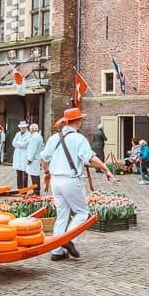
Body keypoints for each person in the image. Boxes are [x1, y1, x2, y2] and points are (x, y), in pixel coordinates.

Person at [40, 108, 115, 261]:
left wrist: (46, 173)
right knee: (82, 212)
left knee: (62, 214)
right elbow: (91, 158)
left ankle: (57, 251)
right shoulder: (79, 139)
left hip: (56, 180)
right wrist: (106, 169)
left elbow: (44, 159)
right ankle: (69, 240)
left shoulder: (54, 138)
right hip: (70, 180)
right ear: (78, 122)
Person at [12, 120, 31, 189]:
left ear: (26, 127)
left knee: (25, 173)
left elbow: (26, 144)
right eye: (21, 127)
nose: (22, 128)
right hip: (18, 154)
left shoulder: (29, 135)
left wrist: (19, 143)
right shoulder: (17, 134)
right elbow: (13, 143)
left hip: (25, 153)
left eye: (24, 127)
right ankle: (19, 188)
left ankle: (24, 188)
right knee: (18, 173)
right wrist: (21, 143)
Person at [25, 123, 43, 193]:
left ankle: (36, 191)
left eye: (30, 129)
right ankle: (36, 190)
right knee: (35, 174)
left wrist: (29, 159)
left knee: (34, 175)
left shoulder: (35, 137)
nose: (29, 130)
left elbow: (33, 149)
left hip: (34, 159)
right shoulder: (38, 136)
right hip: (36, 158)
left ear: (32, 129)